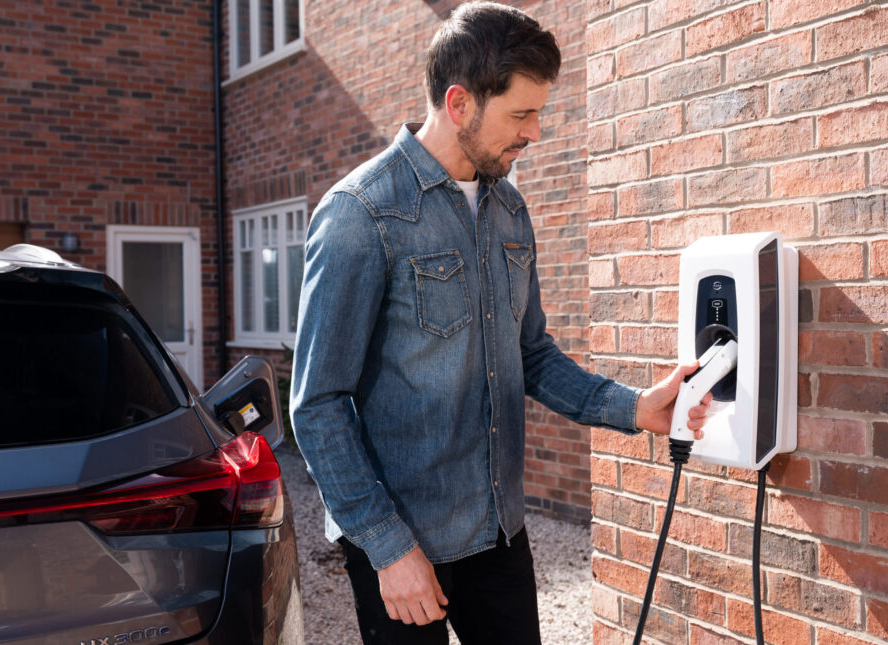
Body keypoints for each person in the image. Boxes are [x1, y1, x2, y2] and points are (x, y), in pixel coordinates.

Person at [290, 3, 712, 643]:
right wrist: (384, 545)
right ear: (459, 103)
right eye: (521, 114)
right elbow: (318, 403)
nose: (535, 133)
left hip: (498, 530)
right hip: (406, 542)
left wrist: (634, 409)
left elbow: (532, 354)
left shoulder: (510, 210)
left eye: (538, 112)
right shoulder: (360, 214)